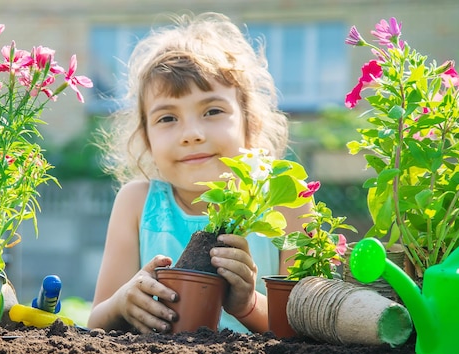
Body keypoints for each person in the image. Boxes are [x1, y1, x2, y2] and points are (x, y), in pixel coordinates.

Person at [87, 12, 310, 334]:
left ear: (251, 124)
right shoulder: (136, 202)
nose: (191, 133)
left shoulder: (285, 198)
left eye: (213, 111)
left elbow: (306, 326)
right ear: (146, 138)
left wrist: (247, 305)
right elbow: (96, 322)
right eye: (167, 118)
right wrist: (123, 301)